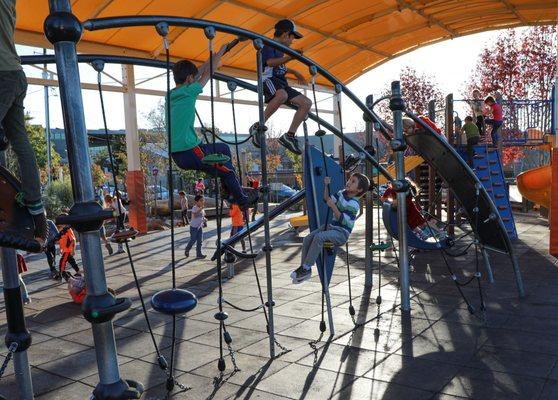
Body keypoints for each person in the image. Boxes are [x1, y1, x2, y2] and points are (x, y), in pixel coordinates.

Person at [169, 47, 257, 210]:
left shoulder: (171, 94)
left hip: (182, 151)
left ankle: (227, 189)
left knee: (223, 148)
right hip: (189, 151)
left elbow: (199, 72)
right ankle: (241, 200)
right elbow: (209, 72)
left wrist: (213, 56)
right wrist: (222, 51)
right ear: (190, 79)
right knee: (228, 171)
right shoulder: (190, 92)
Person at [0, 0, 47, 243]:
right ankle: (36, 211)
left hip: (2, 76)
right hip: (15, 75)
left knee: (18, 144)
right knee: (22, 145)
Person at [290, 173, 370, 283]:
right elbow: (327, 199)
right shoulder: (342, 193)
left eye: (353, 182)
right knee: (307, 238)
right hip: (332, 227)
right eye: (349, 180)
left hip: (342, 233)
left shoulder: (353, 204)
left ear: (359, 189)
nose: (349, 182)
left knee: (319, 237)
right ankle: (304, 270)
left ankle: (306, 267)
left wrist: (333, 206)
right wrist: (326, 185)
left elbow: (343, 220)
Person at [249, 19, 311, 155]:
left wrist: (294, 71)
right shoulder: (268, 45)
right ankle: (258, 125)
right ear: (285, 35)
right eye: (292, 38)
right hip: (268, 80)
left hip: (281, 82)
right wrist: (290, 57)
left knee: (306, 103)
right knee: (282, 95)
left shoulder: (280, 51)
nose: (292, 41)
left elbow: (280, 66)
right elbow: (270, 62)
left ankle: (289, 136)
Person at [381, 178, 445, 241]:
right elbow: (383, 198)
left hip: (408, 208)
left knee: (419, 222)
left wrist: (392, 201)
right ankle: (424, 234)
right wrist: (392, 201)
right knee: (414, 223)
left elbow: (384, 199)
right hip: (406, 208)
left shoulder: (402, 189)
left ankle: (437, 232)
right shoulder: (394, 188)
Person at [184, 195, 206, 259]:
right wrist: (200, 209)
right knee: (193, 240)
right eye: (201, 200)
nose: (202, 202)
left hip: (199, 227)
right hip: (193, 227)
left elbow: (202, 216)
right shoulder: (195, 207)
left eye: (203, 200)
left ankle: (199, 254)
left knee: (200, 241)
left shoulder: (202, 208)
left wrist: (204, 219)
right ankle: (187, 249)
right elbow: (194, 216)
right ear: (196, 202)